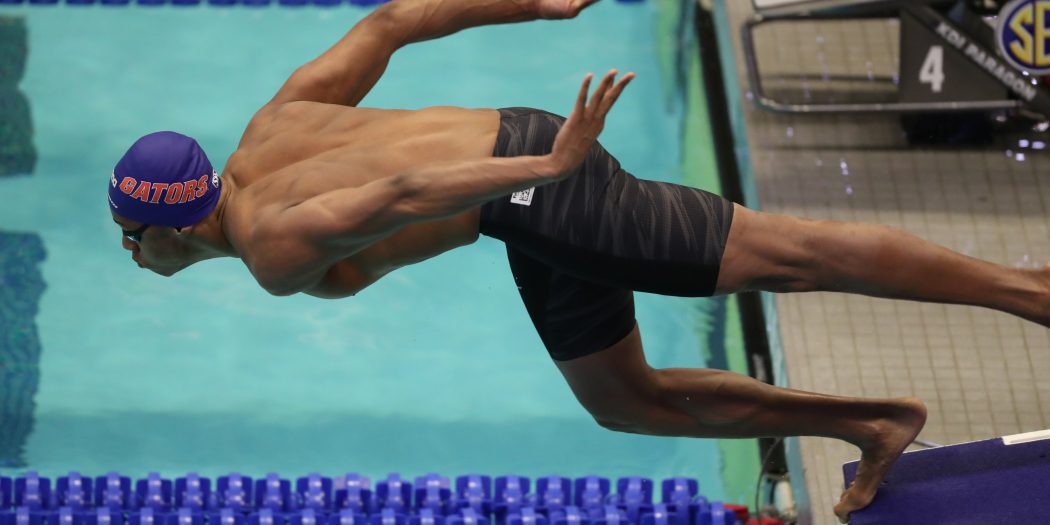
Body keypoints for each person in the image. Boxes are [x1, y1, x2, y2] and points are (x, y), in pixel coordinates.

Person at [106, 0, 1049, 521]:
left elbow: (394, 197)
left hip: (531, 185)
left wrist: (548, 166)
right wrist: (540, 5)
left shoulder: (271, 246)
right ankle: (876, 422)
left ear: (166, 229)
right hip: (522, 206)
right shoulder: (268, 129)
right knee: (623, 403)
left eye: (127, 237)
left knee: (786, 256)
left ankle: (1029, 293)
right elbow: (391, 21)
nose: (130, 253)